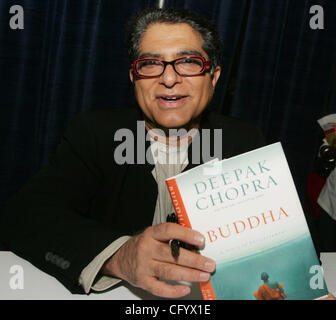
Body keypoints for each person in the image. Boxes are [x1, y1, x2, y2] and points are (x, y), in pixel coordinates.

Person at [0, 7, 268, 298]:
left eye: (189, 62)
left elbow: (288, 237)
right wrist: (119, 256)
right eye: (151, 63)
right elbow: (24, 216)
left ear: (213, 77)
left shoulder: (244, 141)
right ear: (134, 77)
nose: (168, 79)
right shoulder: (94, 134)